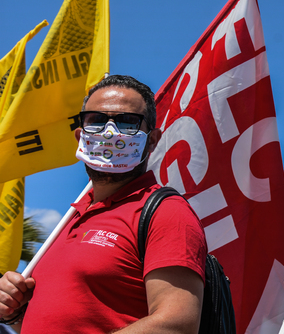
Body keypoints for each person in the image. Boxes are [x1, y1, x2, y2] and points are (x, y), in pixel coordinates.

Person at [0, 75, 207, 333]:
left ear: (152, 140)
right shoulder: (68, 220)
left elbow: (177, 324)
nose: (110, 132)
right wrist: (13, 314)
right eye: (97, 120)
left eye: (128, 122)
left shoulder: (166, 212)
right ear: (80, 136)